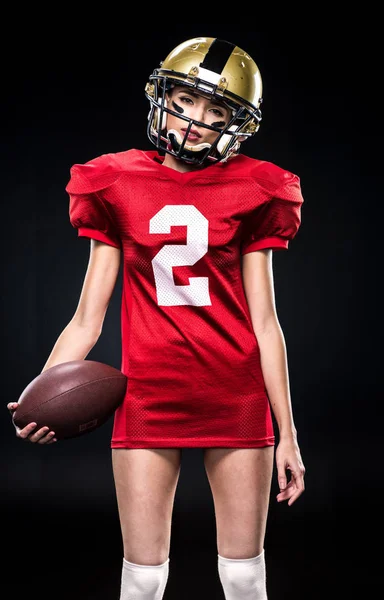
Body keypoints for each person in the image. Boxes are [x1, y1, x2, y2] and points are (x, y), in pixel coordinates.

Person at [8, 37, 306, 600]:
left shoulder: (256, 188)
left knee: (244, 575)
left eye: (217, 112)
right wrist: (38, 395)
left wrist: (288, 434)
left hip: (235, 394)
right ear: (162, 96)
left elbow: (266, 323)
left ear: (236, 125)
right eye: (189, 101)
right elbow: (86, 318)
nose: (197, 121)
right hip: (147, 393)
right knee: (143, 579)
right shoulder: (116, 182)